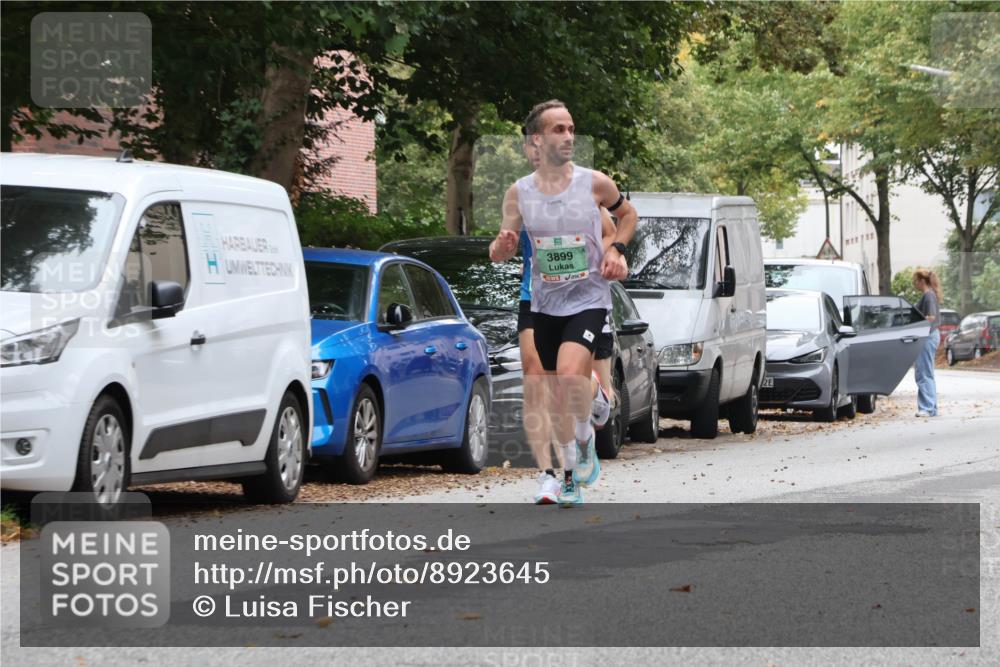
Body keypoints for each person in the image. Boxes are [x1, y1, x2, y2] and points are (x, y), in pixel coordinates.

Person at [490, 99, 637, 506]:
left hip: (588, 296)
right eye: (559, 129)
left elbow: (621, 223)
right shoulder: (519, 193)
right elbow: (500, 246)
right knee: (546, 385)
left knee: (572, 379)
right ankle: (555, 472)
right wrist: (501, 247)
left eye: (571, 128)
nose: (569, 136)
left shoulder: (592, 185)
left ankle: (582, 441)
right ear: (535, 142)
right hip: (540, 300)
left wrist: (616, 253)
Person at [912, 268, 942, 418]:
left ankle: (926, 407)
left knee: (923, 372)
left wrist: (915, 323)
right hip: (931, 336)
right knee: (927, 372)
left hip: (928, 336)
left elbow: (930, 317)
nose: (914, 284)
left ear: (922, 281)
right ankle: (932, 407)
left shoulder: (928, 295)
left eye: (916, 281)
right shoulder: (929, 294)